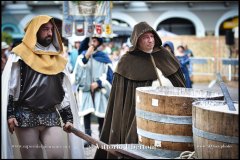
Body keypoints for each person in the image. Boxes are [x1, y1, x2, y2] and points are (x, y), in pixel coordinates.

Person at [94, 21, 186, 159]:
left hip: (172, 112)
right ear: (137, 41)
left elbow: (181, 83)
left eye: (152, 36)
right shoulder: (127, 61)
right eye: (145, 37)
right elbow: (119, 99)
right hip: (142, 114)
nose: (150, 40)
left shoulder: (165, 55)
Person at [1, 15, 84, 159]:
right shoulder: (19, 56)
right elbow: (10, 88)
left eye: (52, 29)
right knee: (32, 156)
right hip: (25, 114)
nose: (50, 33)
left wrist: (68, 117)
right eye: (45, 29)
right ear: (35, 31)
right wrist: (10, 114)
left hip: (50, 113)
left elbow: (62, 91)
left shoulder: (57, 59)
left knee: (57, 155)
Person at [72, 37, 113, 147]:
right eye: (91, 40)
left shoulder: (103, 57)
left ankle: (102, 138)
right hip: (86, 90)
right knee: (86, 114)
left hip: (100, 90)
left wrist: (99, 83)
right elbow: (77, 75)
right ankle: (87, 138)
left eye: (95, 41)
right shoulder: (82, 56)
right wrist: (86, 57)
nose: (92, 42)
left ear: (99, 43)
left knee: (101, 115)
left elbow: (109, 74)